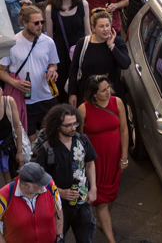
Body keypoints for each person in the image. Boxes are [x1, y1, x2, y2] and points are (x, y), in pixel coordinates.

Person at [33, 103, 97, 243]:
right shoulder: (47, 148)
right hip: (58, 206)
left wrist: (93, 188)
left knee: (86, 239)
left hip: (82, 203)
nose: (73, 128)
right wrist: (60, 192)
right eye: (68, 125)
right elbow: (38, 179)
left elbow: (90, 163)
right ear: (57, 126)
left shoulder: (82, 140)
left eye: (75, 123)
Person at [76, 74, 127, 243]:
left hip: (114, 158)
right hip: (95, 160)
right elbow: (79, 137)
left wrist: (124, 156)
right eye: (103, 90)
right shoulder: (84, 109)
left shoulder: (117, 102)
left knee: (111, 194)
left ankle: (102, 220)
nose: (108, 91)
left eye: (108, 87)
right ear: (94, 94)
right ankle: (111, 239)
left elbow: (124, 130)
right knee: (102, 201)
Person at [0, 6, 58, 139]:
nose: (40, 26)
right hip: (25, 100)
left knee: (52, 138)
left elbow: (53, 63)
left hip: (47, 96)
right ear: (25, 23)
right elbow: (1, 70)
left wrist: (52, 70)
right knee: (31, 142)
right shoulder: (13, 42)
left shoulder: (48, 42)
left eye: (42, 22)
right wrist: (15, 83)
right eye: (36, 23)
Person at [67, 8, 130, 106]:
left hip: (112, 94)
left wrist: (111, 46)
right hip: (89, 95)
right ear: (93, 28)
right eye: (101, 26)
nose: (105, 29)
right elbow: (73, 69)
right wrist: (72, 93)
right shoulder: (83, 43)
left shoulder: (117, 42)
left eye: (107, 25)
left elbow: (125, 64)